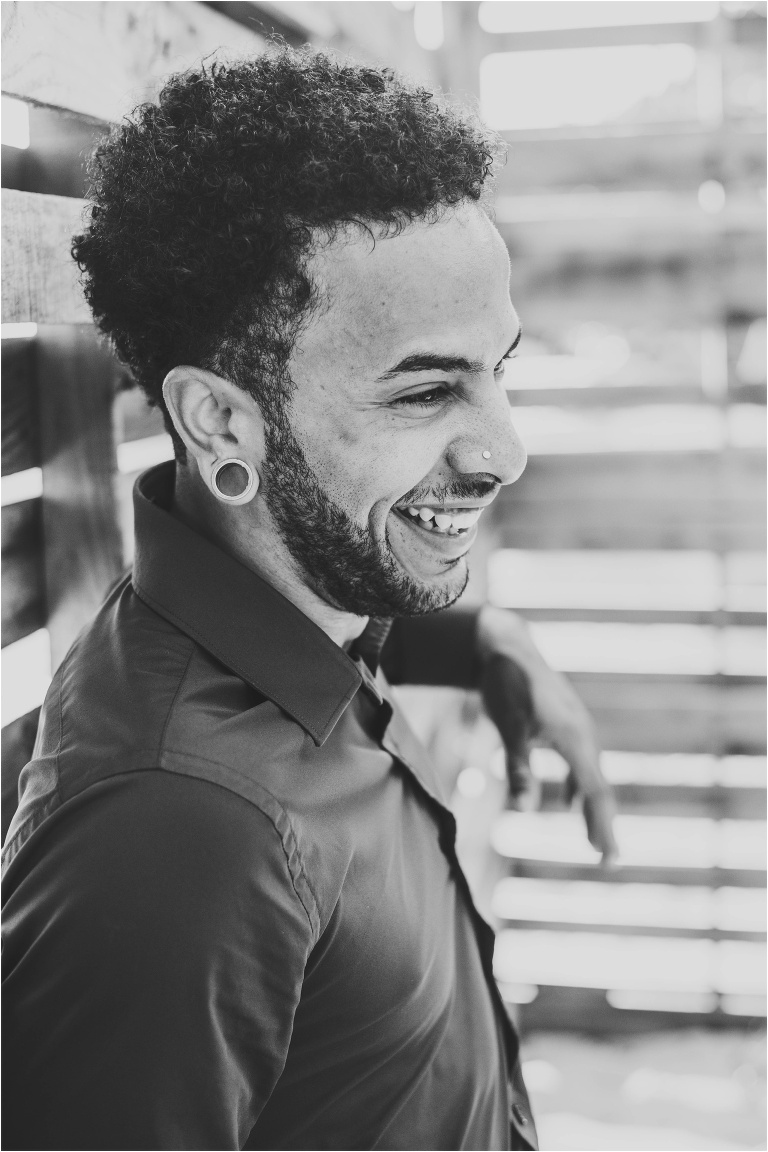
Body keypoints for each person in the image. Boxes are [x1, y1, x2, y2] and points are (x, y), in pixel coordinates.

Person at [2, 47, 616, 1151]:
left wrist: (484, 644)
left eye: (500, 369)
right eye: (427, 389)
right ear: (224, 425)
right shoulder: (182, 837)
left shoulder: (295, 592)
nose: (506, 451)